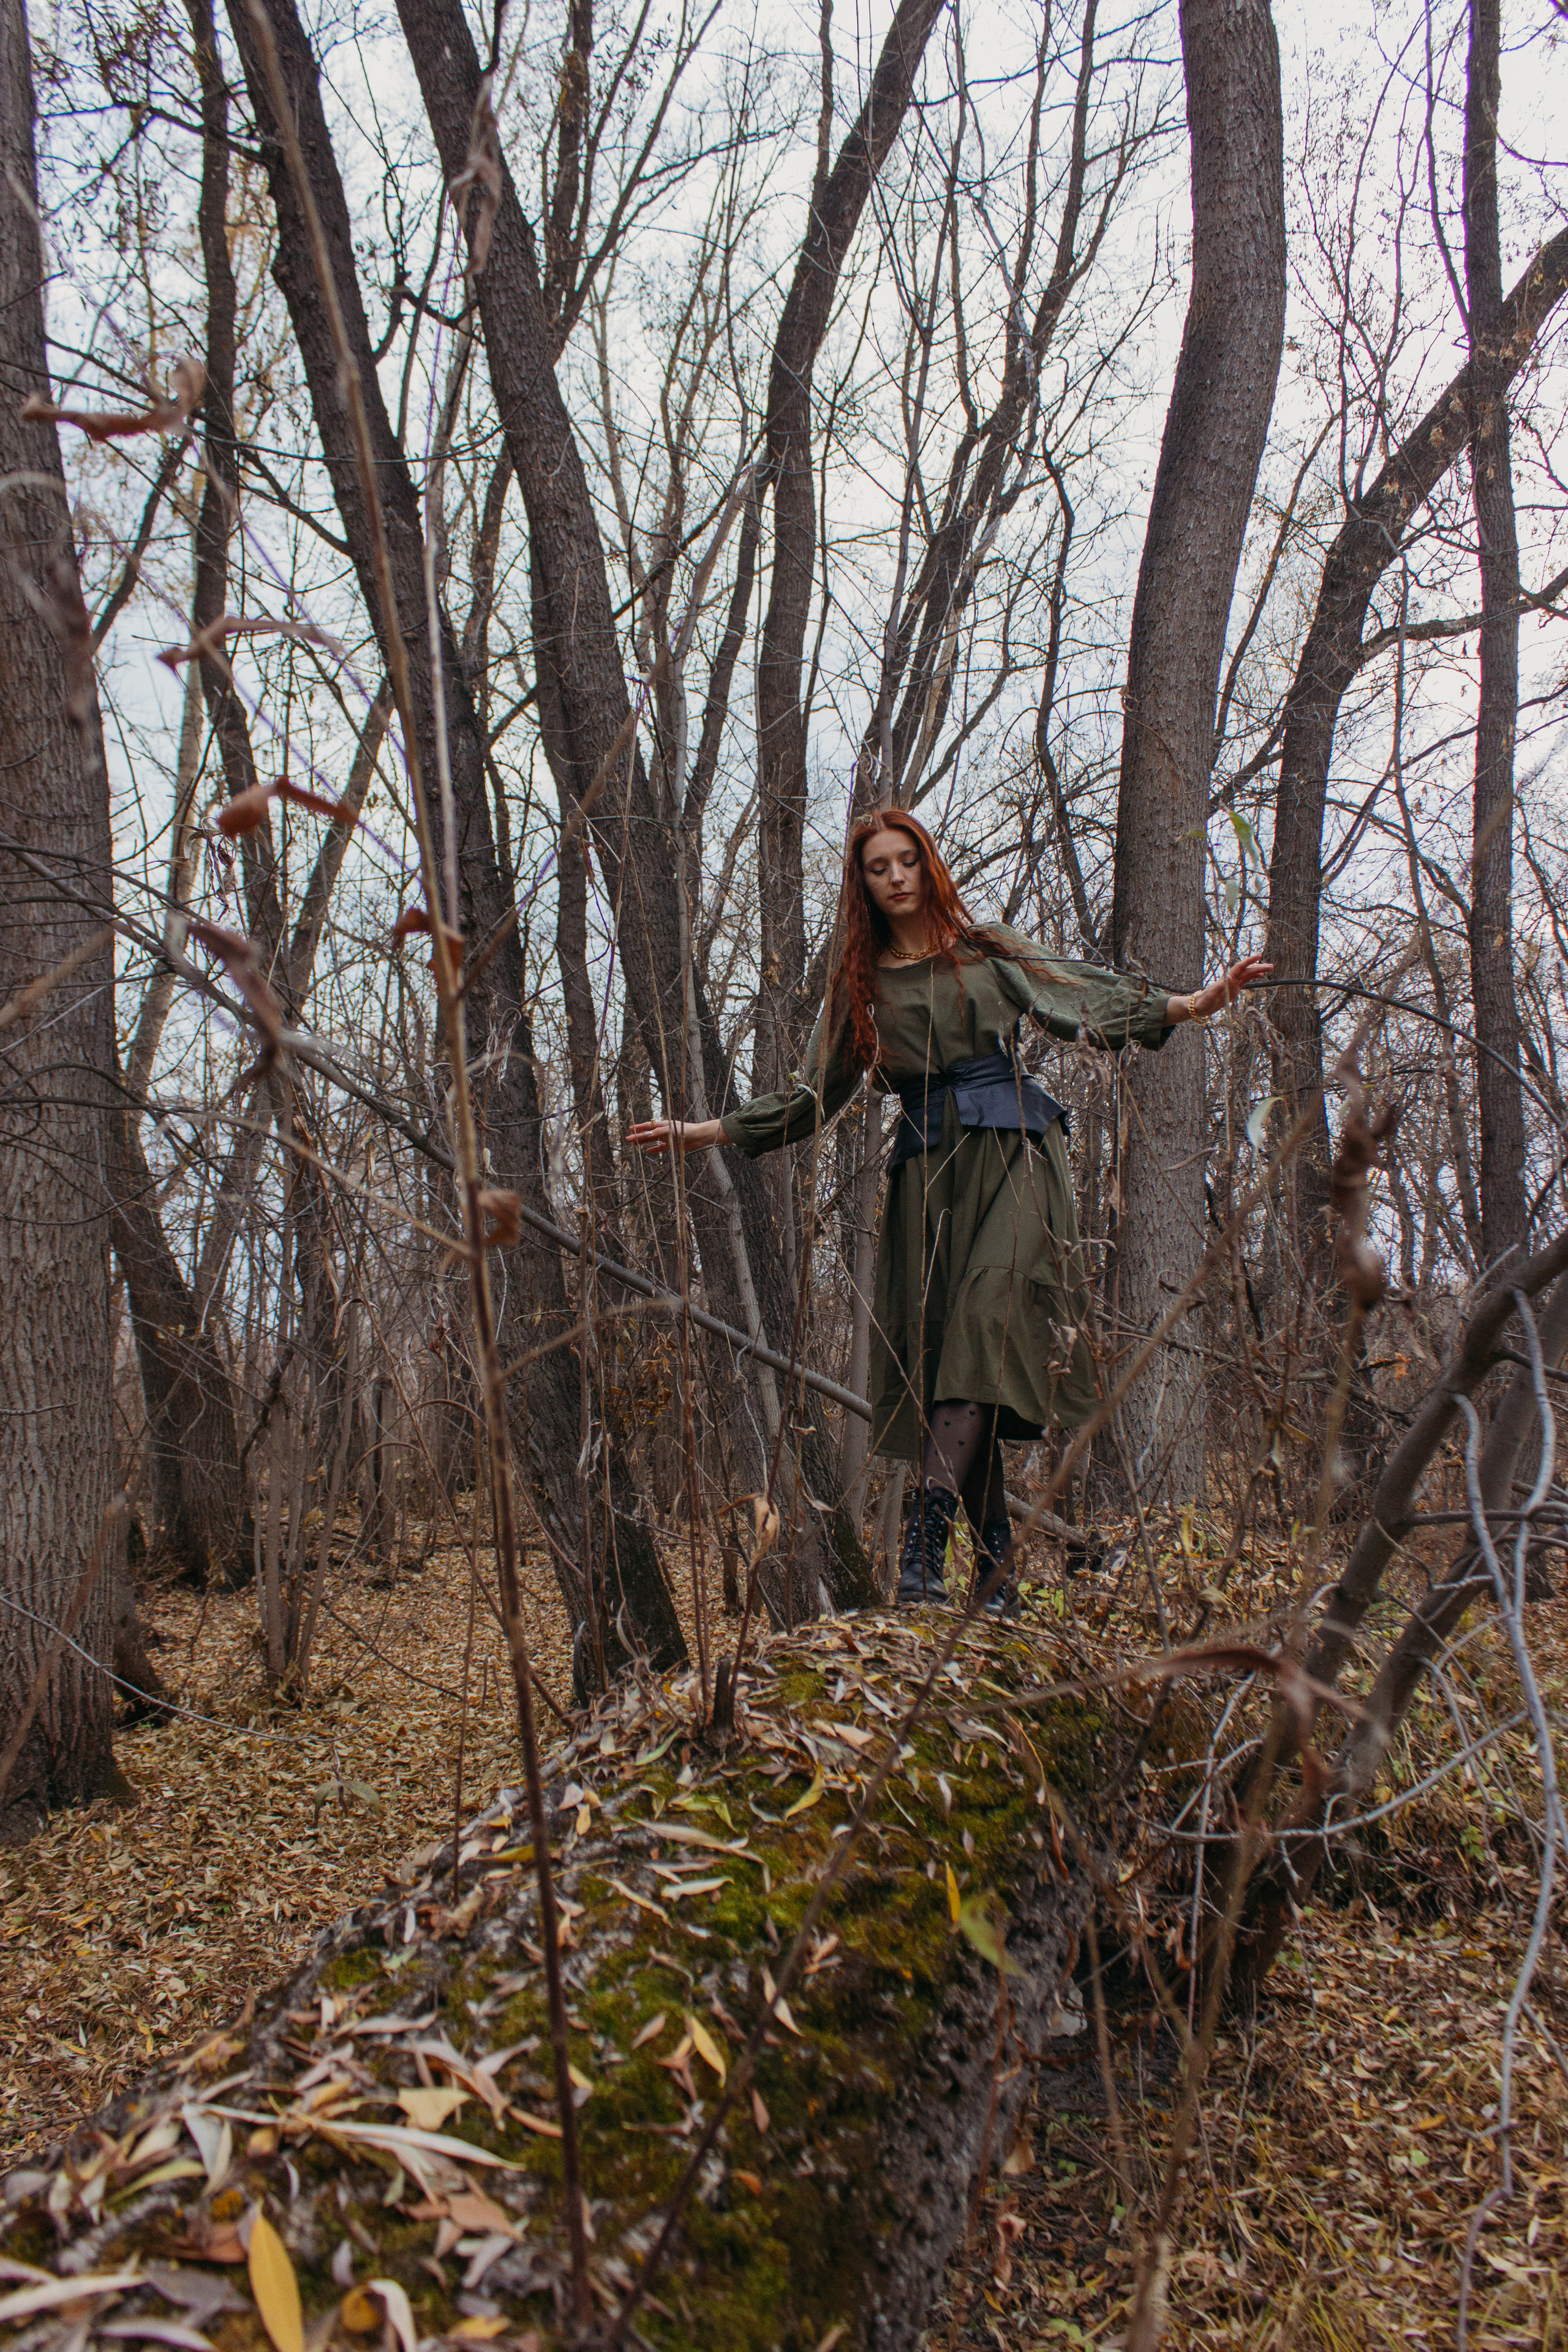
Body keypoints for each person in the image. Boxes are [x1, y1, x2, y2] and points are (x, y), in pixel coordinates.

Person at [627, 810, 1270, 1612]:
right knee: (950, 1369)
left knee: (978, 1325)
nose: (896, 877)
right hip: (930, 1177)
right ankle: (996, 1573)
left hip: (1018, 1155)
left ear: (928, 866)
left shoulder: (989, 947)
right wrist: (701, 1131)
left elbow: (1083, 995)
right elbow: (810, 1099)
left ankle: (923, 1542)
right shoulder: (857, 988)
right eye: (877, 867)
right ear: (861, 885)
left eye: (907, 861)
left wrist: (1197, 1002)